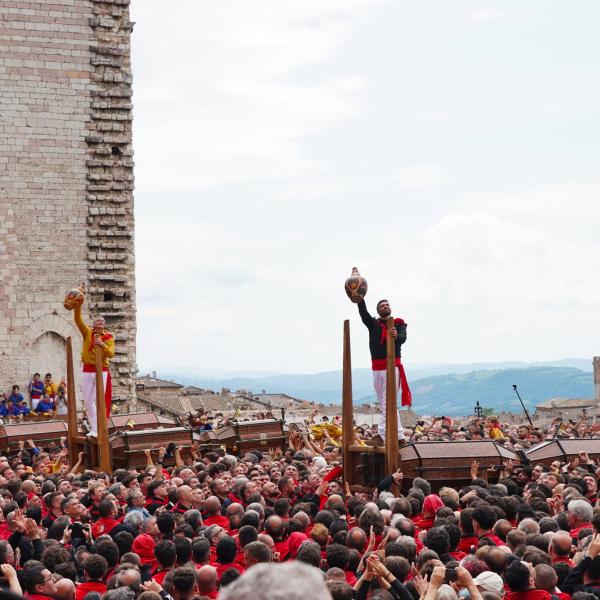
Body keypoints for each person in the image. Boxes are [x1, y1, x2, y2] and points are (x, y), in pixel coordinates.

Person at [357, 298, 411, 443]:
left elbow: (402, 338)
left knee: (388, 403)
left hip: (392, 367)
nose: (385, 306)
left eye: (387, 304)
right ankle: (399, 436)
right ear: (378, 310)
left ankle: (382, 435)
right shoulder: (373, 324)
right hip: (377, 367)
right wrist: (360, 298)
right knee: (385, 403)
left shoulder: (398, 323)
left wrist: (395, 335)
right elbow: (363, 313)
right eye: (382, 305)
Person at [71, 286, 115, 437]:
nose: (101, 321)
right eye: (98, 320)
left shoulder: (109, 337)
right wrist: (78, 305)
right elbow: (77, 320)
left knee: (99, 399)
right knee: (88, 400)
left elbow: (111, 354)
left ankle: (101, 427)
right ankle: (95, 428)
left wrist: (101, 345)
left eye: (103, 320)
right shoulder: (88, 332)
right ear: (94, 323)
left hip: (101, 369)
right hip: (87, 369)